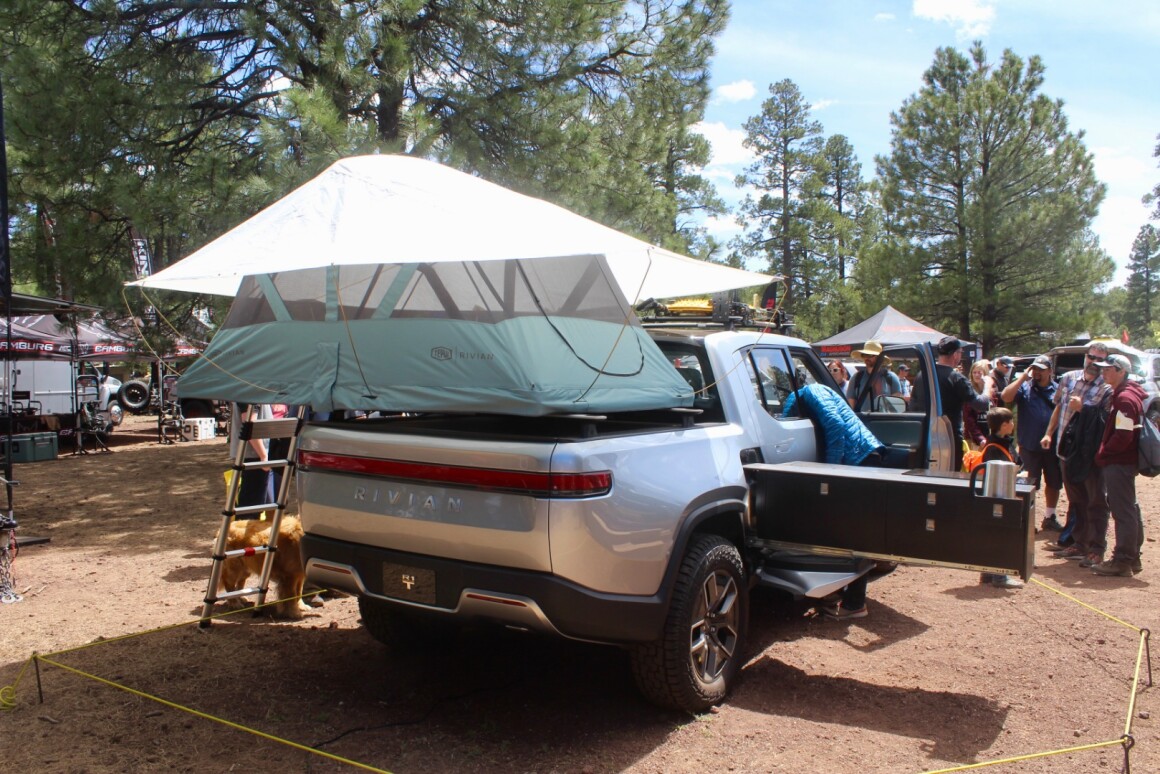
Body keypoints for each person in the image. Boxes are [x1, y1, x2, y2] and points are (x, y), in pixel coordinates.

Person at [1042, 342, 1112, 554]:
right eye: (1092, 357)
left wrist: (1083, 408)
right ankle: (1079, 543)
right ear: (1085, 356)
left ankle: (1095, 547)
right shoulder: (1069, 378)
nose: (1094, 363)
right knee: (1076, 500)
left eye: (1100, 360)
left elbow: (1104, 420)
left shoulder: (1106, 387)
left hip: (1088, 454)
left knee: (1095, 501)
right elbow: (1058, 409)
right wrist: (1048, 433)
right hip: (1066, 449)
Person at [1090, 354, 1146, 577]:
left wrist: (1104, 453)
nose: (1104, 372)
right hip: (1123, 461)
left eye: (1108, 369)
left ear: (1121, 371)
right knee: (1129, 508)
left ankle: (1123, 560)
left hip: (1120, 461)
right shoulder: (1125, 394)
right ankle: (1132, 558)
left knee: (1123, 511)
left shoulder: (1124, 399)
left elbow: (1123, 436)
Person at [1000, 355, 1062, 532]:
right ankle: (1026, 519)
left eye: (1041, 369)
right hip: (1029, 445)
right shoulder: (1024, 388)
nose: (1037, 373)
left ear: (1050, 371)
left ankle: (1050, 516)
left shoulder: (1058, 390)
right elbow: (1006, 395)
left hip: (1052, 445)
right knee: (1028, 484)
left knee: (1054, 483)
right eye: (1034, 369)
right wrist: (1022, 377)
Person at [976, 407, 1025, 589]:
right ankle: (999, 576)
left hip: (1000, 495)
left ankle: (988, 575)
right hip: (998, 497)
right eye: (1011, 421)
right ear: (1004, 425)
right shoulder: (994, 448)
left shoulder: (1002, 443)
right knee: (1001, 532)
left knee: (993, 533)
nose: (1013, 424)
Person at [935, 336, 992, 472]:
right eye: (961, 352)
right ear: (955, 354)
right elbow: (981, 404)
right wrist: (988, 386)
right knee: (950, 476)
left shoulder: (923, 375)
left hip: (928, 435)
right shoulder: (956, 378)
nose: (961, 356)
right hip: (949, 437)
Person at [229, 402, 274, 514]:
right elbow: (250, 424)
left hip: (256, 455)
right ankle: (244, 530)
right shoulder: (251, 392)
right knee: (250, 507)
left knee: (255, 505)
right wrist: (263, 456)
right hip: (254, 456)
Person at [849, 340, 903, 411]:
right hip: (862, 421)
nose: (866, 358)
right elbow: (851, 406)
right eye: (864, 355)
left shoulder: (891, 378)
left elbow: (896, 408)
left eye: (870, 355)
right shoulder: (856, 378)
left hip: (883, 420)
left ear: (879, 357)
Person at [963, 359, 997, 448]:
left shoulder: (991, 391)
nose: (977, 375)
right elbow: (968, 419)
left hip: (989, 434)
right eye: (974, 372)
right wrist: (980, 438)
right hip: (974, 438)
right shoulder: (969, 391)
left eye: (979, 372)